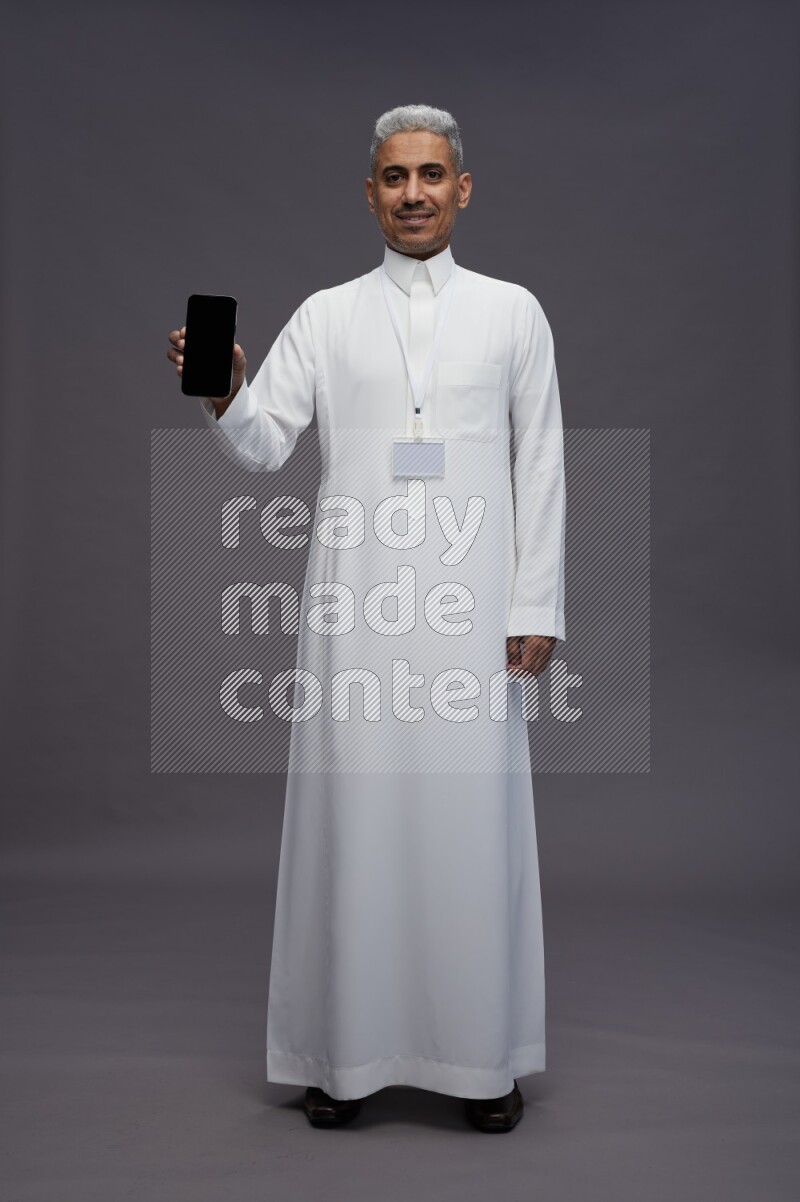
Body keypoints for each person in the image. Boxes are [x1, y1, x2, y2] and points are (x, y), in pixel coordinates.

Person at [166, 104, 566, 1134]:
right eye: (395, 177)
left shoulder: (513, 312)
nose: (414, 193)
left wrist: (536, 604)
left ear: (462, 188)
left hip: (473, 610)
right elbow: (263, 446)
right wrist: (226, 390)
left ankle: (480, 1061)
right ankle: (338, 1058)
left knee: (471, 827)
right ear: (370, 193)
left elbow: (541, 463)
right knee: (354, 822)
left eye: (431, 175)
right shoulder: (328, 315)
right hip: (356, 611)